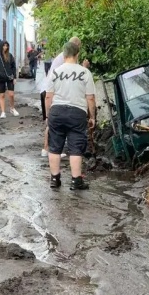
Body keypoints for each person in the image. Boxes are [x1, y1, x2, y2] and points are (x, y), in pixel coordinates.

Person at [45, 39, 96, 191]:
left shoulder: (55, 72)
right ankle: (76, 181)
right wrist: (92, 116)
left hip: (57, 111)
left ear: (64, 54)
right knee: (75, 147)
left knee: (54, 146)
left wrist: (49, 116)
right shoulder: (85, 72)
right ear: (77, 54)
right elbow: (91, 98)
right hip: (77, 113)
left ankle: (55, 179)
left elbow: (48, 96)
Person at [40, 36, 90, 158]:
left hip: (48, 90)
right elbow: (74, 75)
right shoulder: (66, 58)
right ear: (76, 47)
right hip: (50, 92)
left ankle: (49, 149)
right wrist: (84, 68)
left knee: (52, 122)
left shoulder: (63, 56)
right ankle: (48, 148)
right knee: (51, 123)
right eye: (79, 48)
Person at [0, 41, 18, 118]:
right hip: (1, 77)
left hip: (10, 77)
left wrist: (15, 77)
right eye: (4, 46)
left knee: (11, 94)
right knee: (2, 95)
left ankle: (12, 108)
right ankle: (3, 112)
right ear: (1, 46)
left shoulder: (10, 56)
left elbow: (13, 67)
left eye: (6, 46)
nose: (5, 47)